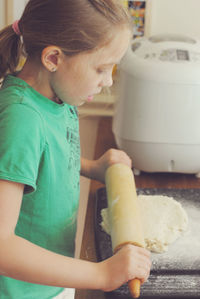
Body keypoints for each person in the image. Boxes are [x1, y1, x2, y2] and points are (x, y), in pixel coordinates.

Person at [0, 0, 151, 298]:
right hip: (23, 291)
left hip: (53, 274)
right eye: (101, 68)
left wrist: (91, 166)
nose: (108, 81)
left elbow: (35, 161)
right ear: (54, 58)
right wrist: (100, 273)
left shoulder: (57, 96)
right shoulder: (22, 119)